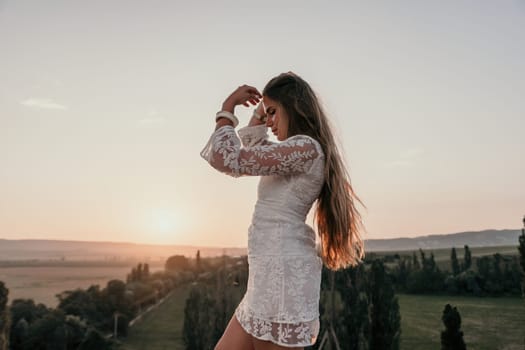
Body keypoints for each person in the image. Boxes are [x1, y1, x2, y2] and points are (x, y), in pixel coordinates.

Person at [201, 72, 364, 350]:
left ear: (295, 108)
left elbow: (228, 159)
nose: (269, 121)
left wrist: (227, 108)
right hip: (265, 274)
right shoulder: (292, 153)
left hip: (282, 275)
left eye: (274, 112)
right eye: (268, 114)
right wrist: (260, 111)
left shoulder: (306, 148)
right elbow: (254, 146)